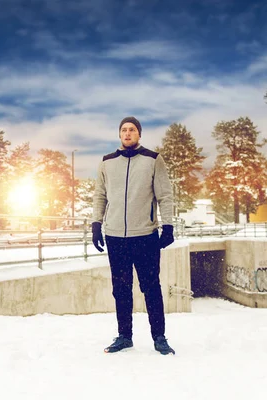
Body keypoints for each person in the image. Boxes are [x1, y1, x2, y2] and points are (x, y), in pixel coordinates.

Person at [91, 116, 176, 355]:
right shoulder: (107, 162)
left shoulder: (153, 160)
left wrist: (167, 225)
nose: (127, 133)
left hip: (145, 235)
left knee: (151, 287)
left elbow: (165, 196)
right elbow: (100, 196)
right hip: (116, 236)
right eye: (124, 130)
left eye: (132, 130)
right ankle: (124, 336)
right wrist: (96, 223)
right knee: (121, 289)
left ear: (139, 134)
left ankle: (159, 337)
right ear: (119, 134)